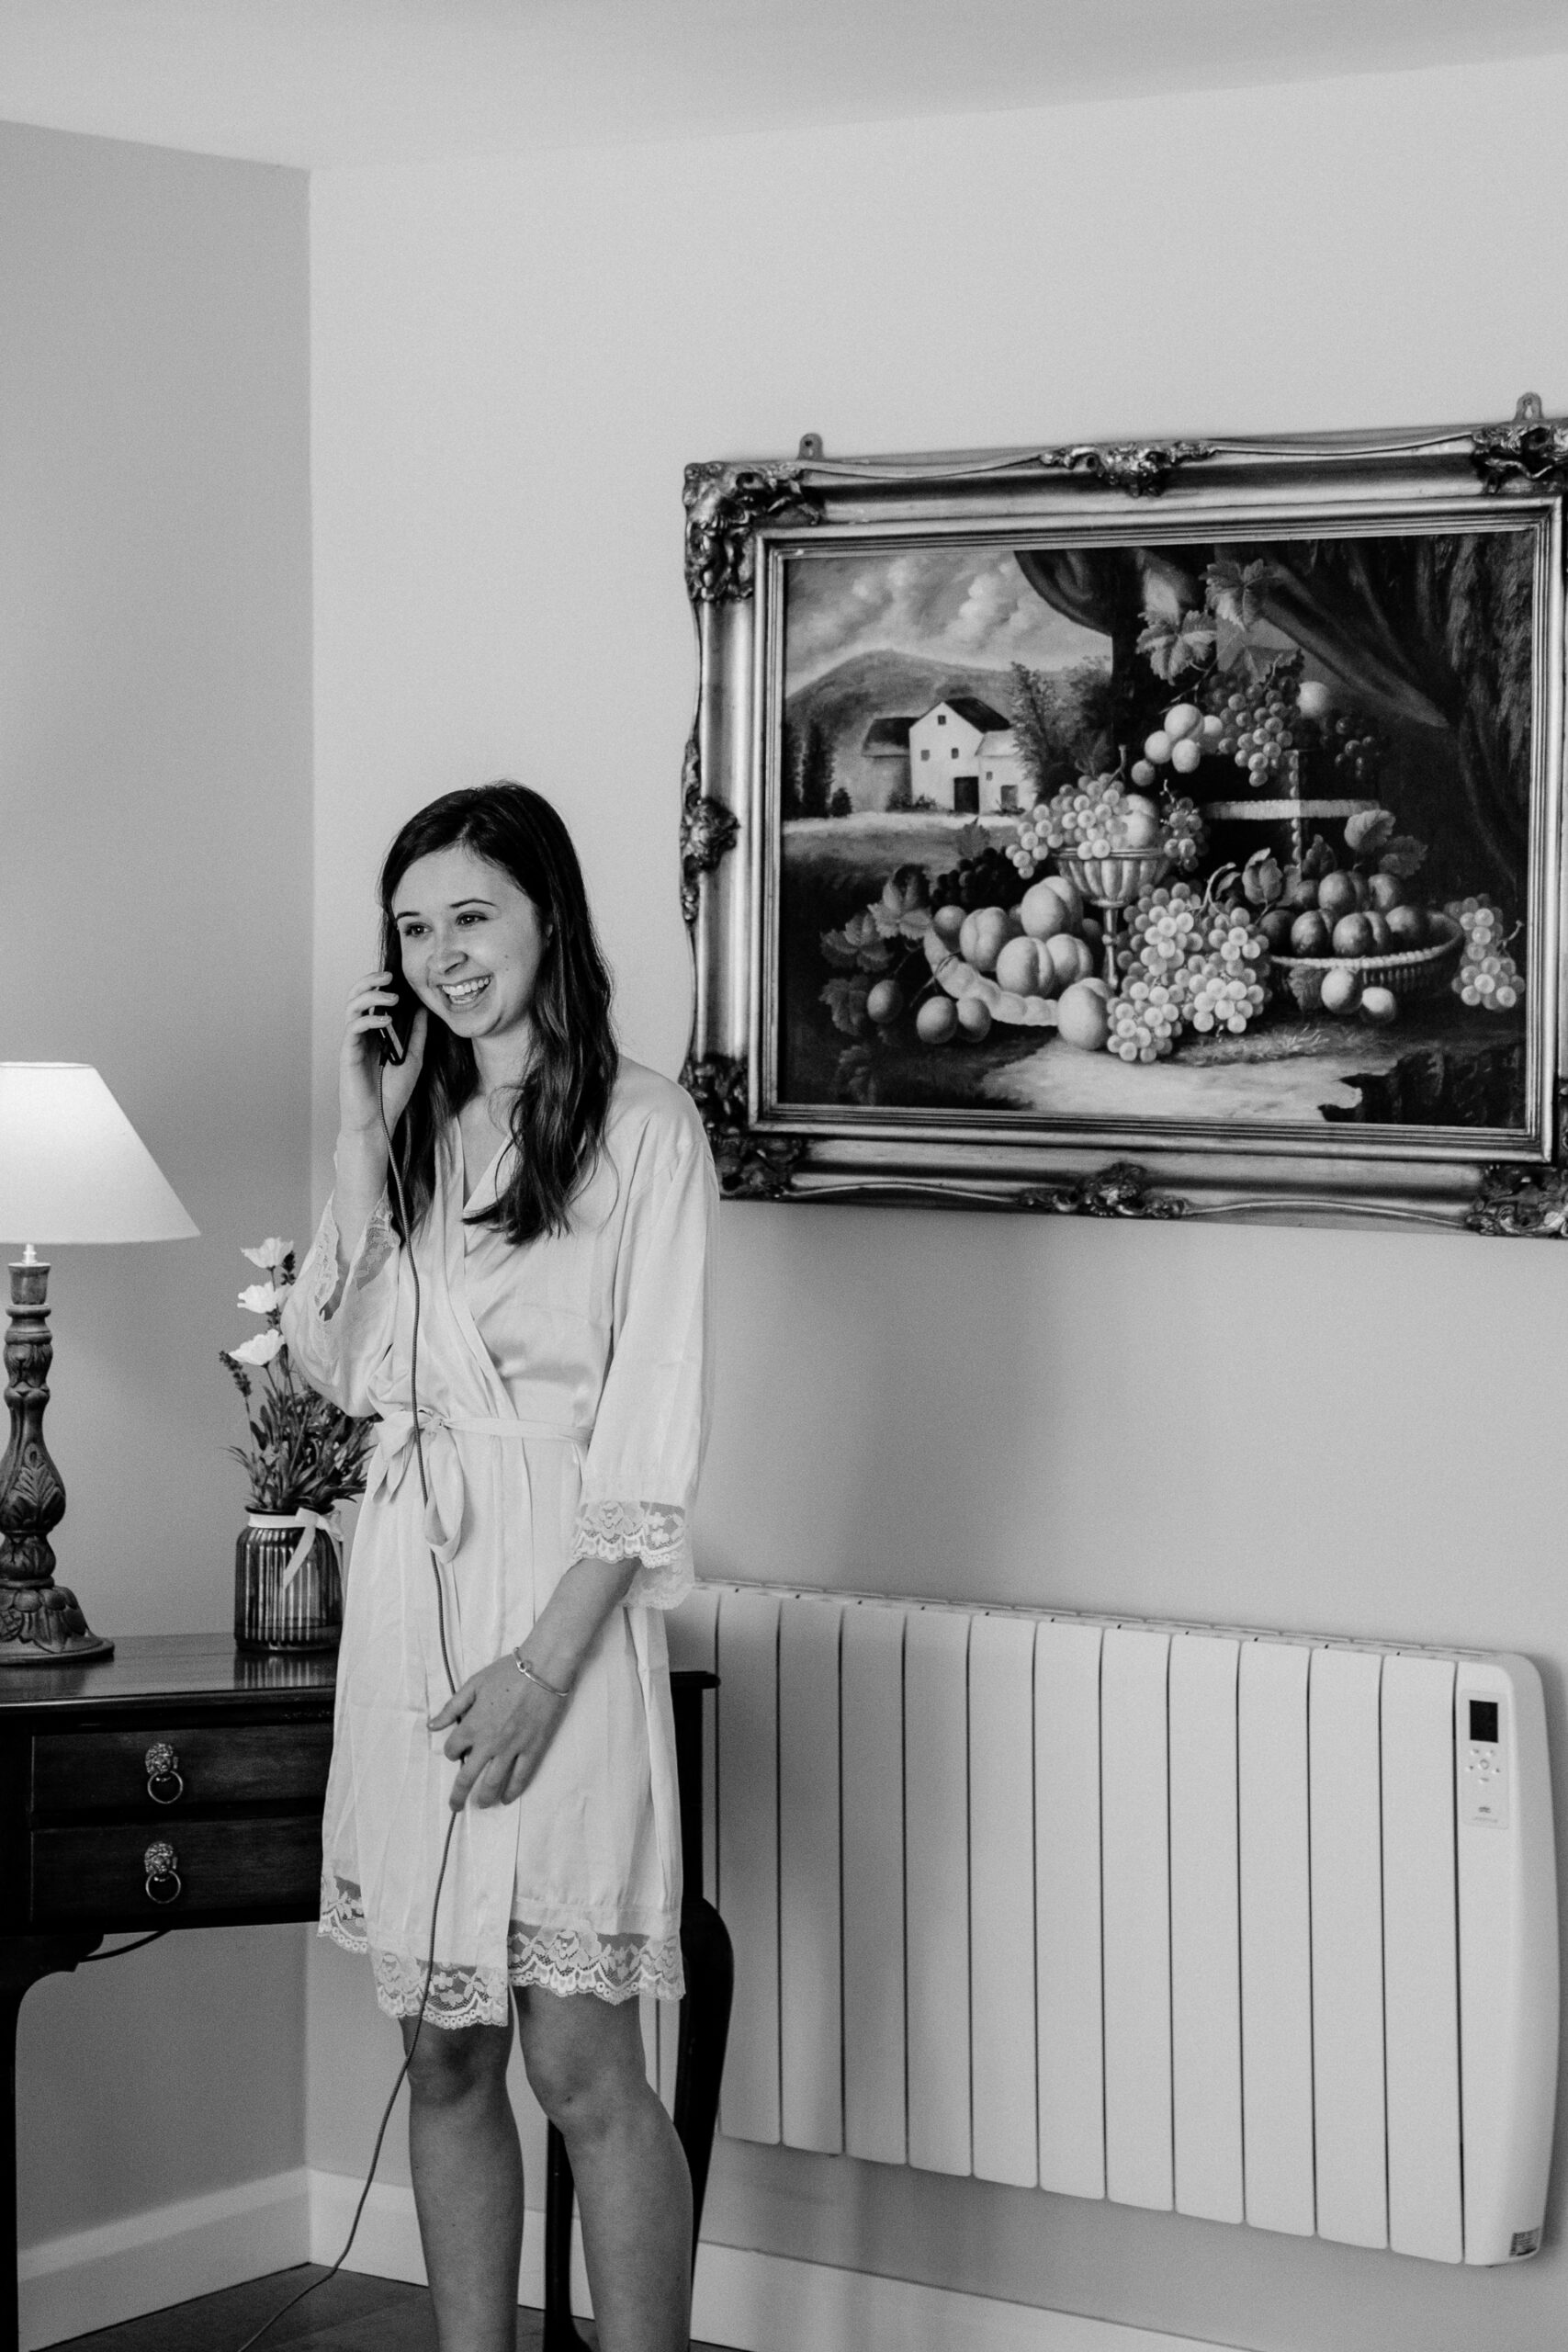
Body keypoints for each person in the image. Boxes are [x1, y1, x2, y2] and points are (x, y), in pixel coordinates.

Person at [282, 781, 717, 2352]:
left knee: (582, 2066)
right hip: (407, 1591)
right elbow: (335, 1370)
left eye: (473, 914)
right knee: (446, 2056)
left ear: (547, 914)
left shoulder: (647, 1132)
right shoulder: (409, 1131)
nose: (447, 956)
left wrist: (545, 1670)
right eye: (414, 927)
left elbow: (647, 1444)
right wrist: (358, 1136)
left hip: (564, 1604)